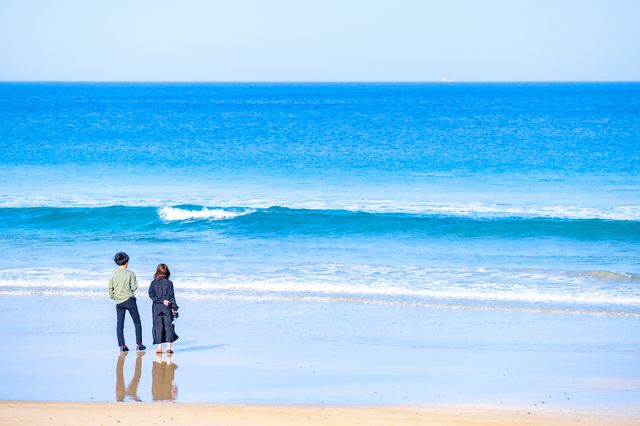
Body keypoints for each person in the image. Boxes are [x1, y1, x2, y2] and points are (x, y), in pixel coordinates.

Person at [108, 252, 146, 352]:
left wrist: (113, 297)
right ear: (126, 262)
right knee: (137, 322)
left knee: (120, 324)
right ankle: (139, 344)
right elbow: (134, 287)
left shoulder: (114, 274)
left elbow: (110, 288)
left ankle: (122, 346)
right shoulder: (130, 273)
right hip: (129, 300)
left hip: (119, 302)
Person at [148, 263, 179, 353]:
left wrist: (161, 301)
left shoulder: (153, 282)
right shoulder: (169, 283)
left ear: (157, 271)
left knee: (158, 327)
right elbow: (172, 297)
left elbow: (151, 295)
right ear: (167, 272)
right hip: (167, 307)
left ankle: (159, 348)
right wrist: (174, 307)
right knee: (168, 327)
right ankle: (169, 348)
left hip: (157, 308)